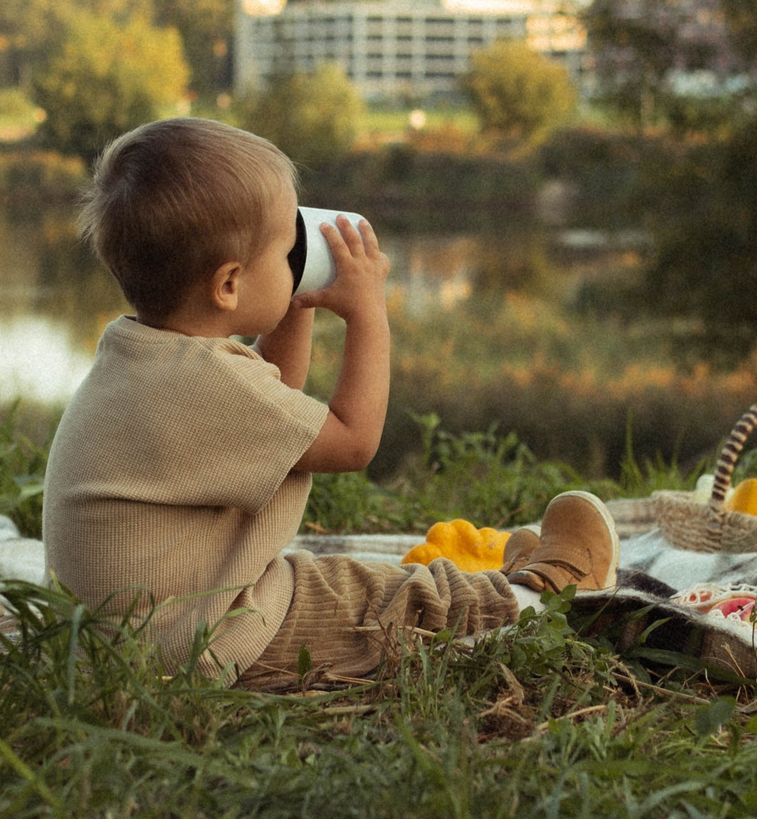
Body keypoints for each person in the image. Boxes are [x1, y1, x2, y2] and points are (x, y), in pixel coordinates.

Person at [42, 116, 619, 690]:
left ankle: (510, 590)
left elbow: (275, 405)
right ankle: (547, 599)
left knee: (318, 580)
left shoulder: (150, 360)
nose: (298, 254)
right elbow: (353, 439)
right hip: (194, 643)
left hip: (124, 639)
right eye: (286, 249)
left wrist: (293, 296)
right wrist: (367, 311)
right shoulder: (199, 382)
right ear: (228, 286)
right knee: (367, 598)